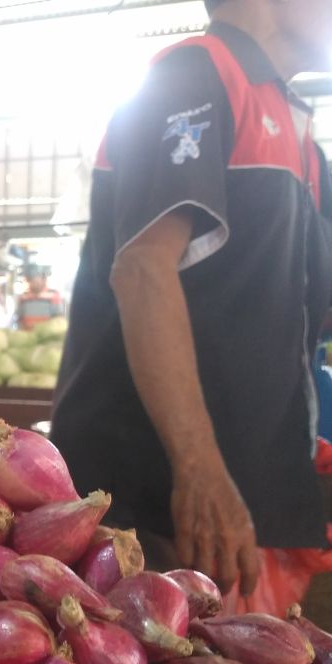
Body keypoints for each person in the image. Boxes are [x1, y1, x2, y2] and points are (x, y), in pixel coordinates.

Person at [51, 0, 332, 597]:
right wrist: (199, 470)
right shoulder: (193, 77)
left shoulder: (293, 122)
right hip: (158, 513)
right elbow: (144, 269)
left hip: (241, 516)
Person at [15, 263, 64, 331]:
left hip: (47, 337)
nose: (31, 283)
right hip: (28, 337)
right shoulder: (23, 297)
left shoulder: (53, 295)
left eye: (33, 279)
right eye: (29, 280)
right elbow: (19, 319)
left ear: (43, 278)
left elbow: (59, 320)